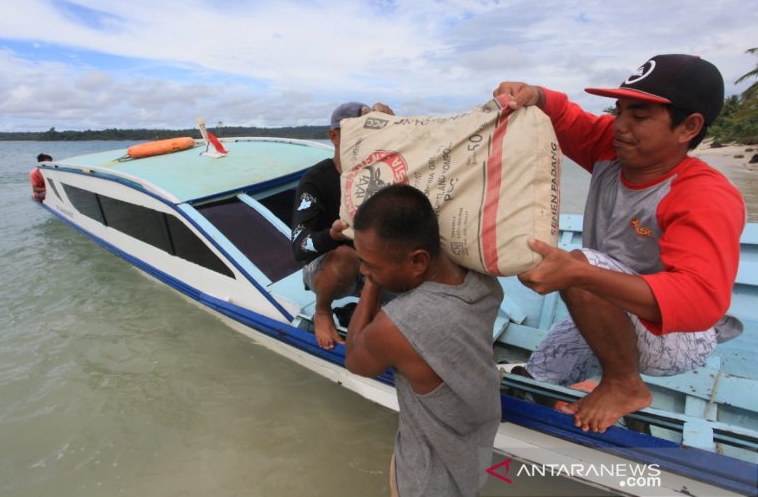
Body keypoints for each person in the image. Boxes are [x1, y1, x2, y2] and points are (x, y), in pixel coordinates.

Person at [493, 54, 746, 433]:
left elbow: (700, 301)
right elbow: (564, 117)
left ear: (688, 127)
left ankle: (624, 386)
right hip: (609, 307)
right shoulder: (610, 149)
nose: (620, 127)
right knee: (537, 378)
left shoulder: (705, 194)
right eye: (619, 111)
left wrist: (579, 272)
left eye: (639, 116)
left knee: (584, 265)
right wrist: (533, 94)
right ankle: (584, 404)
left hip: (679, 338)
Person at [345, 184, 502, 497]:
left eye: (370, 264)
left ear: (417, 261)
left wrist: (372, 285)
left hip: (425, 480)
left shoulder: (399, 325)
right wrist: (380, 268)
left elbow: (355, 359)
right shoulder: (483, 283)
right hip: (474, 451)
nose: (362, 270)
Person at [291, 101, 393, 350]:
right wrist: (332, 235)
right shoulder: (316, 180)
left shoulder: (380, 171)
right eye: (357, 133)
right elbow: (299, 246)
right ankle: (323, 311)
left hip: (374, 262)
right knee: (345, 256)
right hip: (332, 265)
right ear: (334, 137)